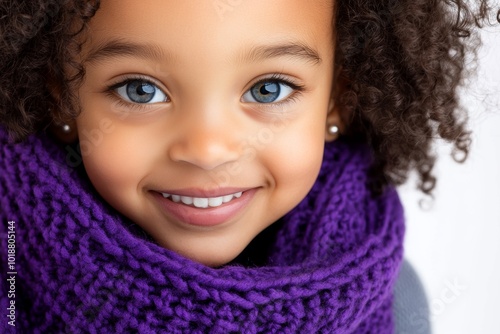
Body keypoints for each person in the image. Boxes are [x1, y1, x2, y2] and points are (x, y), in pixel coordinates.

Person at [0, 0, 484, 332]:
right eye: (139, 90)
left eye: (268, 89)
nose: (209, 150)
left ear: (339, 98)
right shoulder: (12, 266)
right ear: (60, 97)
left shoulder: (398, 299)